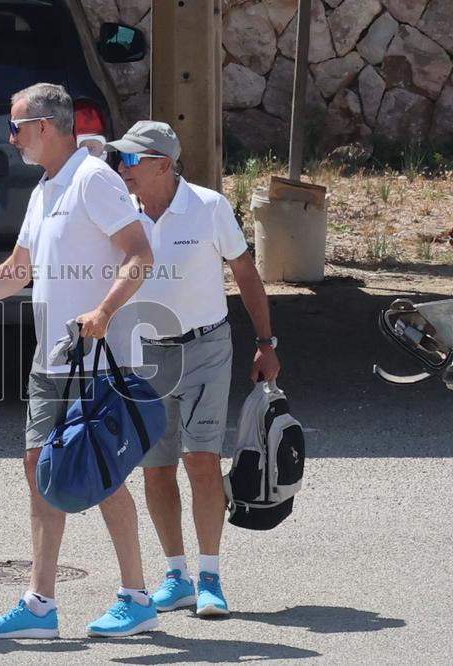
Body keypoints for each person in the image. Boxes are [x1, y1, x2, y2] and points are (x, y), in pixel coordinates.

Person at [0, 83, 157, 638]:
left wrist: (103, 310)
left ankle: (136, 596)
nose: (12, 139)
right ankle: (39, 606)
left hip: (92, 360)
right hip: (49, 360)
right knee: (41, 468)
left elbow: (140, 253)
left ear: (45, 127)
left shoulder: (93, 179)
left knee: (100, 472)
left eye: (17, 128)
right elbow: (16, 271)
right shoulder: (46, 187)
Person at [104, 121, 280, 617]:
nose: (122, 168)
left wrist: (266, 343)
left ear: (164, 164)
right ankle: (176, 575)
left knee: (200, 460)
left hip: (206, 348)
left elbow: (246, 274)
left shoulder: (209, 206)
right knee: (156, 467)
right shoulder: (119, 212)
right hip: (144, 353)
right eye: (120, 159)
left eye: (132, 159)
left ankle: (210, 577)